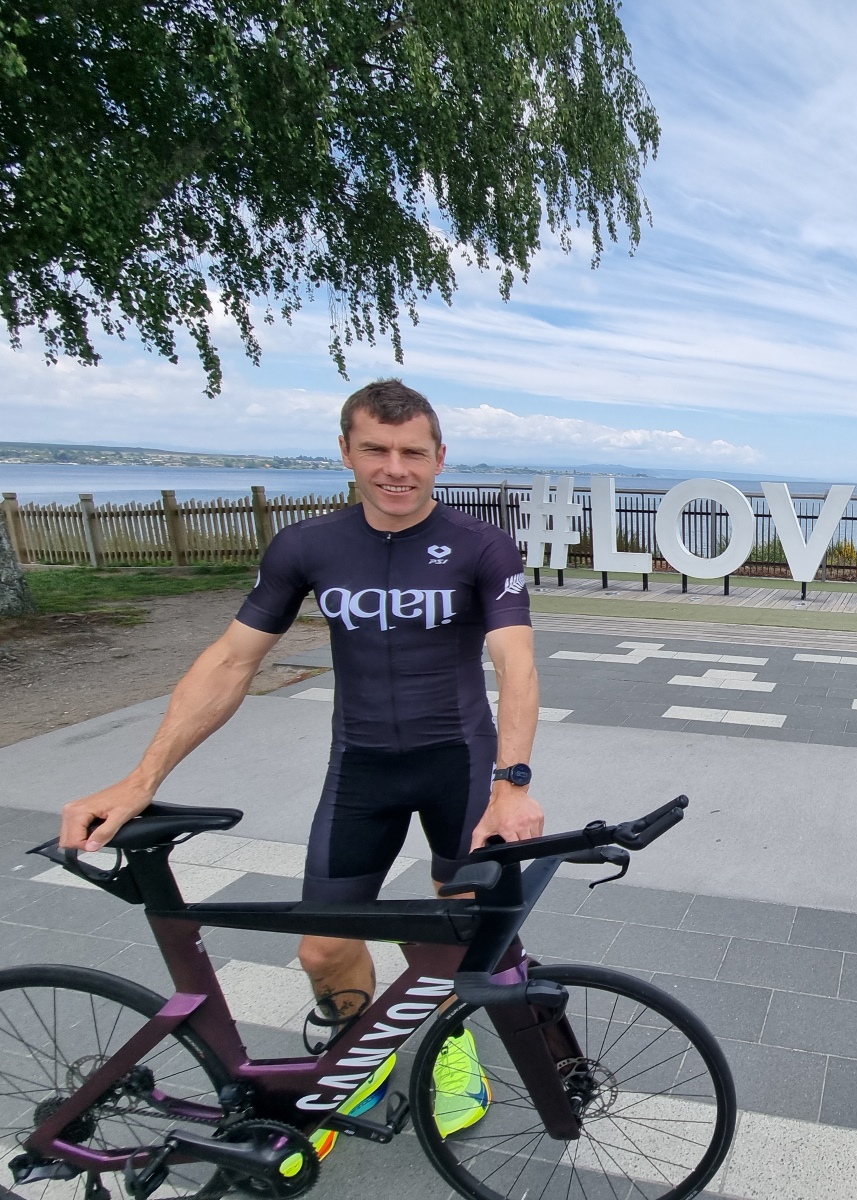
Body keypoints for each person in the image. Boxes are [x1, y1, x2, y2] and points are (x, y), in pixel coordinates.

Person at [57, 379, 542, 1154]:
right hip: (362, 767)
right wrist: (140, 779)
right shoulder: (307, 546)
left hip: (459, 763)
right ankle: (360, 1054)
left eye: (412, 451)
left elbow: (516, 665)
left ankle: (451, 1044)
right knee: (320, 947)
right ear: (346, 451)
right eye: (375, 450)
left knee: (455, 934)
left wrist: (512, 783)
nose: (395, 467)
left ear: (439, 458)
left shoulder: (483, 545)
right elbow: (229, 662)